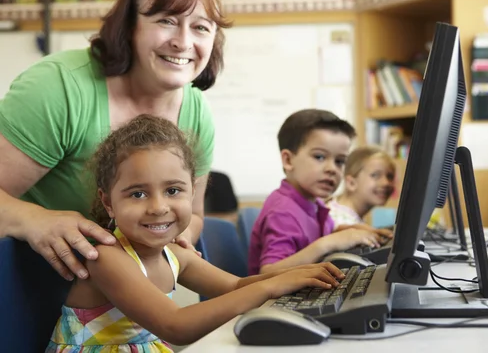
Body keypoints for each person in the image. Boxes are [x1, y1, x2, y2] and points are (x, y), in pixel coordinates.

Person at [0, 0, 229, 282]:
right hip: (22, 288)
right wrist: (32, 218)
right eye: (166, 20)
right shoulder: (60, 87)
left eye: (201, 27)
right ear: (129, 26)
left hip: (117, 304)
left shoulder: (196, 110)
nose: (183, 41)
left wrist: (177, 237)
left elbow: (193, 215)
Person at [45, 114, 344, 351]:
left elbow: (236, 287)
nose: (158, 207)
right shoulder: (105, 257)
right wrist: (271, 287)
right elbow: (175, 325)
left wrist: (296, 276)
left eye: (173, 190)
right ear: (108, 202)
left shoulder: (174, 254)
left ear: (191, 195)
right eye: (137, 194)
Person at [247, 109, 384, 275]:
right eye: (319, 157)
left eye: (340, 161)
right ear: (288, 160)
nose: (332, 169)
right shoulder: (283, 211)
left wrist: (352, 231)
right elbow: (268, 272)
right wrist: (327, 243)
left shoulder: (314, 203)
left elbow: (315, 235)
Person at [327, 146, 396, 239]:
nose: (386, 183)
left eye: (390, 176)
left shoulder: (350, 216)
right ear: (351, 183)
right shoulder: (338, 221)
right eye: (375, 175)